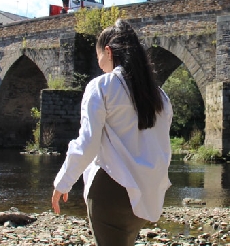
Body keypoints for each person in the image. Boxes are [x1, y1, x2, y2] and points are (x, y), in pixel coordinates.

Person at [52, 19, 173, 246]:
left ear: (108, 52)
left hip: (110, 190)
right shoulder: (160, 96)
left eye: (99, 57)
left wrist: (63, 182)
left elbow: (87, 144)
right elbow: (162, 148)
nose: (99, 64)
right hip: (145, 194)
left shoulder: (102, 86)